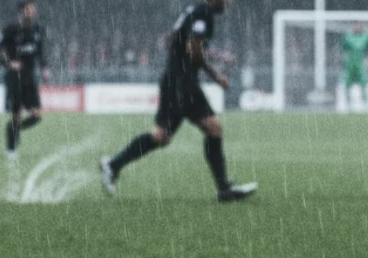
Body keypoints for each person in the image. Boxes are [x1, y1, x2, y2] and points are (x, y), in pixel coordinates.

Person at [100, 0, 256, 202]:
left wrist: (214, 55)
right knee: (183, 132)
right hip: (181, 84)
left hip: (178, 80)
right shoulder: (203, 13)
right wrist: (215, 75)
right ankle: (113, 166)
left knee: (185, 132)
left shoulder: (193, 11)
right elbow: (192, 48)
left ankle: (113, 165)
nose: (228, 2)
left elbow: (175, 40)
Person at [0, 0, 49, 159]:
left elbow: (40, 52)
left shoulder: (37, 30)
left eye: (34, 9)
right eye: (30, 9)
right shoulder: (10, 30)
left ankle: (15, 130)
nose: (33, 12)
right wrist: (9, 63)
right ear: (22, 11)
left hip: (30, 77)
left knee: (37, 115)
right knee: (16, 115)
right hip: (14, 77)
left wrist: (44, 69)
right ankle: (11, 149)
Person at [340, 22, 368, 110]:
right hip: (350, 64)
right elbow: (342, 49)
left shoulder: (366, 37)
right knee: (347, 83)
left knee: (363, 82)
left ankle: (365, 103)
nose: (356, 27)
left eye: (358, 25)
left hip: (361, 63)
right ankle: (348, 104)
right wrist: (343, 59)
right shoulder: (348, 37)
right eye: (354, 25)